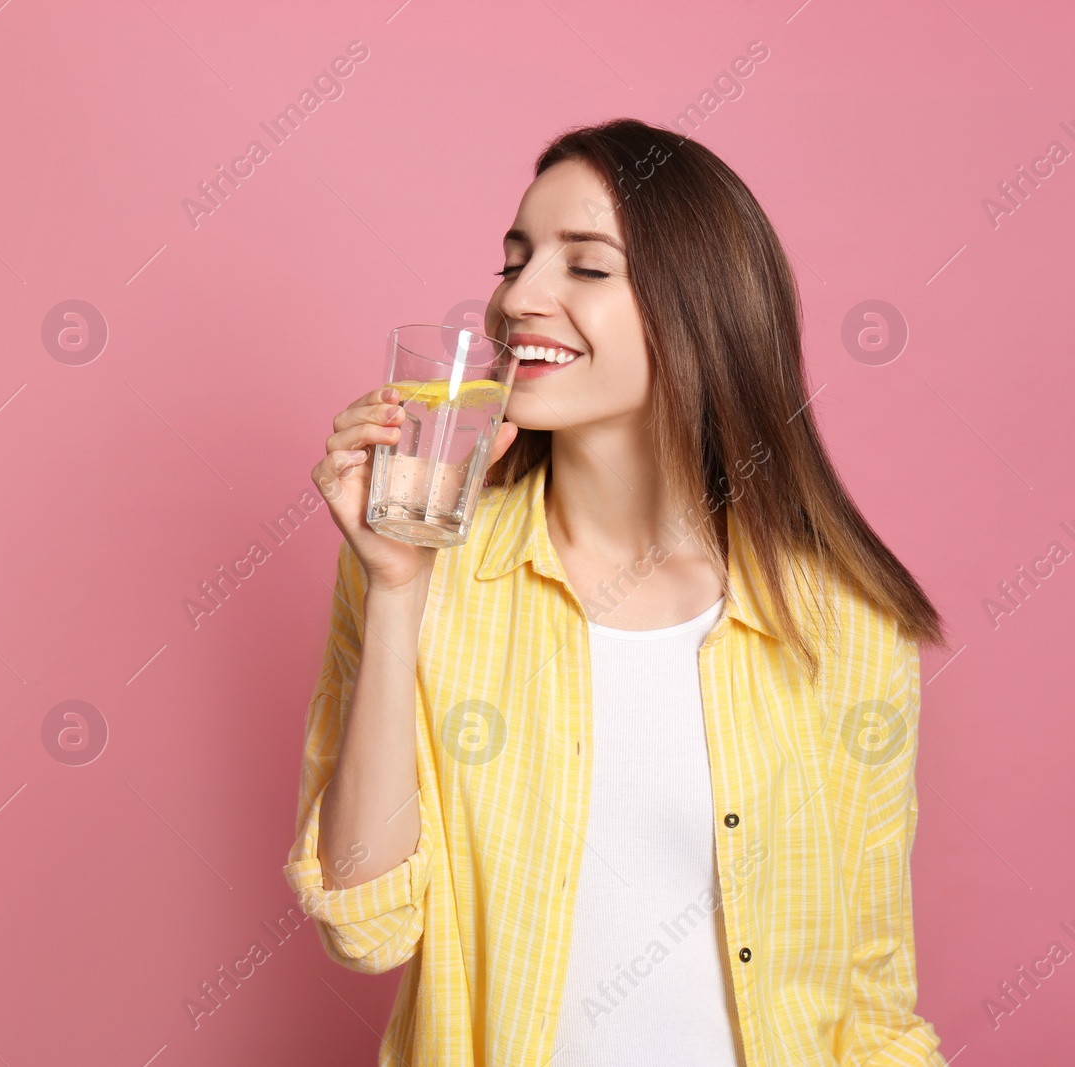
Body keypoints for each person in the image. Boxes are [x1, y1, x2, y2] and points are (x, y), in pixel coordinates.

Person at [285, 117, 952, 1066]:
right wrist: (395, 590)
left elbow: (873, 1000)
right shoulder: (431, 577)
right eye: (514, 261)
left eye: (585, 268)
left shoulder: (845, 624)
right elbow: (367, 925)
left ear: (699, 308)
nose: (519, 298)